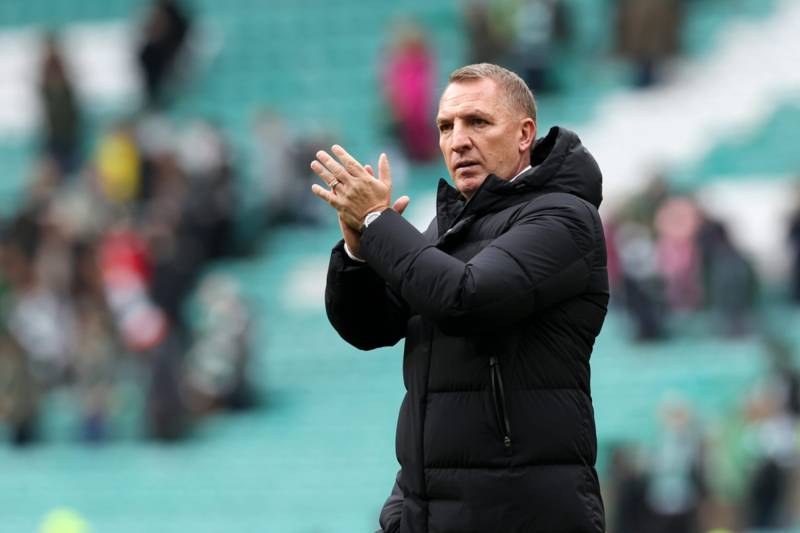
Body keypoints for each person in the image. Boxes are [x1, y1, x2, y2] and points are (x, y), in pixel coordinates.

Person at [311, 63, 608, 532]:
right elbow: (371, 327)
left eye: (477, 122)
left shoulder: (564, 218)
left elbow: (466, 299)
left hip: (519, 516)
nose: (458, 140)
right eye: (446, 127)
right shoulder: (449, 227)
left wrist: (378, 223)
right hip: (431, 514)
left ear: (524, 134)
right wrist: (358, 250)